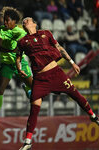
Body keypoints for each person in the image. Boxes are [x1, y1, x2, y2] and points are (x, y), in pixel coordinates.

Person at [16, 17, 99, 150]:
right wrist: (19, 69)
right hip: (40, 79)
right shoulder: (22, 42)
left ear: (34, 24)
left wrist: (72, 63)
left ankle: (93, 116)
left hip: (56, 74)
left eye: (28, 19)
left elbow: (59, 48)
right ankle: (27, 142)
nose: (25, 20)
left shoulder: (46, 33)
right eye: (24, 20)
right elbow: (18, 57)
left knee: (76, 95)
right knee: (34, 108)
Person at [0, 7, 33, 133]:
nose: (5, 22)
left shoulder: (20, 32)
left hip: (20, 63)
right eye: (4, 20)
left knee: (36, 88)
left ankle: (26, 87)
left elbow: (25, 43)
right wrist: (10, 50)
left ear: (14, 22)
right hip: (6, 64)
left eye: (8, 20)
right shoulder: (1, 30)